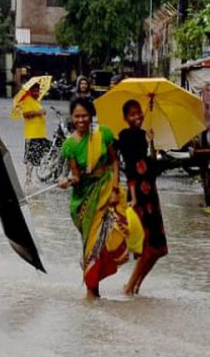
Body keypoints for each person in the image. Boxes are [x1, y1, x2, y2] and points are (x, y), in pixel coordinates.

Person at [57, 97, 135, 299]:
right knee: (92, 247)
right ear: (72, 118)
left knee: (109, 239)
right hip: (85, 201)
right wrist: (66, 181)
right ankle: (92, 293)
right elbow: (76, 175)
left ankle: (95, 293)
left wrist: (116, 188)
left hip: (108, 191)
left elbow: (114, 162)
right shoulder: (70, 145)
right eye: (77, 116)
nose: (81, 120)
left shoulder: (104, 134)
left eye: (84, 115)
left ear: (90, 116)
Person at [117, 99, 168, 295]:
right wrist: (134, 197)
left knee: (159, 248)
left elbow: (151, 167)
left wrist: (152, 144)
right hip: (139, 195)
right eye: (132, 114)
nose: (137, 117)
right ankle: (130, 286)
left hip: (151, 194)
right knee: (149, 246)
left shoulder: (143, 136)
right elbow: (130, 169)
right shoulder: (127, 136)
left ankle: (136, 286)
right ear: (125, 118)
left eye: (139, 113)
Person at [15, 82, 48, 183]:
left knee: (37, 157)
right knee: (30, 159)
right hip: (32, 134)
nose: (37, 92)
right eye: (34, 90)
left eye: (38, 90)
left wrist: (42, 111)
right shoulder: (28, 100)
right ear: (30, 91)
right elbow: (25, 114)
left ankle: (31, 179)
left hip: (40, 133)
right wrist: (39, 112)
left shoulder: (36, 101)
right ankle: (28, 180)